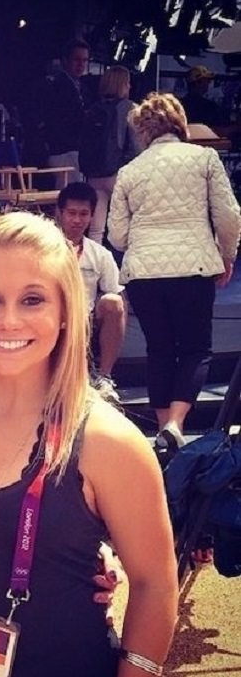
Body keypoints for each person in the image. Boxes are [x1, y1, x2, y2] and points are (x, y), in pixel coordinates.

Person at [0, 211, 178, 677]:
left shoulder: (109, 441)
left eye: (32, 299)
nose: (9, 320)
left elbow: (154, 582)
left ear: (65, 313)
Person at [108, 92, 241, 450]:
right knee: (196, 349)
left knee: (160, 350)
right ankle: (177, 424)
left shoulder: (129, 172)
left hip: (144, 275)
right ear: (179, 122)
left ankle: (166, 430)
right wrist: (226, 255)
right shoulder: (204, 158)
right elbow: (229, 216)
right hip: (192, 268)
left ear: (142, 130)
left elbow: (117, 236)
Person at [57, 182, 126, 388]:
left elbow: (118, 294)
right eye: (71, 213)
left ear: (92, 215)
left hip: (87, 321)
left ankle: (104, 376)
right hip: (52, 318)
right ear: (60, 213)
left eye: (83, 214)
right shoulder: (43, 249)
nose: (77, 220)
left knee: (114, 302)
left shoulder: (100, 254)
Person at [80, 65, 142, 242]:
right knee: (125, 223)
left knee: (96, 228)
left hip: (94, 174)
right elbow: (136, 147)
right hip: (119, 174)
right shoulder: (131, 109)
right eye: (127, 83)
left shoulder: (93, 109)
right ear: (123, 85)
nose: (130, 87)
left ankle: (92, 264)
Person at [40, 38, 90, 186]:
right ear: (65, 60)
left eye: (85, 60)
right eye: (77, 59)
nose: (81, 64)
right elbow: (53, 119)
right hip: (63, 150)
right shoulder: (55, 86)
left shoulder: (83, 86)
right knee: (68, 198)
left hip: (76, 149)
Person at [181, 65, 229, 130]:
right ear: (198, 83)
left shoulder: (179, 105)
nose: (209, 83)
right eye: (206, 80)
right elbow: (220, 128)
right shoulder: (209, 106)